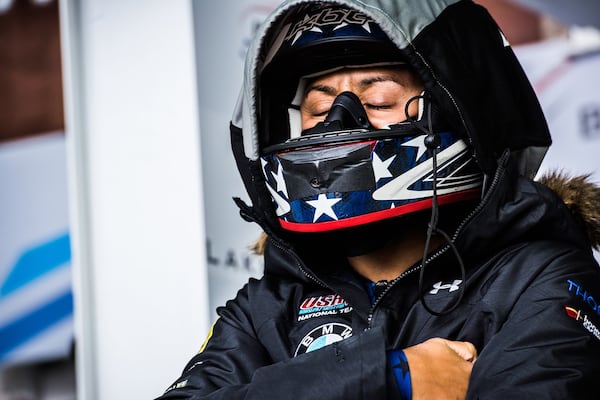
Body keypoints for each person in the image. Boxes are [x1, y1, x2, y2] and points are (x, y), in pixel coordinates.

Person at [157, 0, 600, 399]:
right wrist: (385, 378)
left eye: (380, 100)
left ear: (464, 112)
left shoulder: (538, 276)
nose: (336, 125)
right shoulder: (268, 304)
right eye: (317, 108)